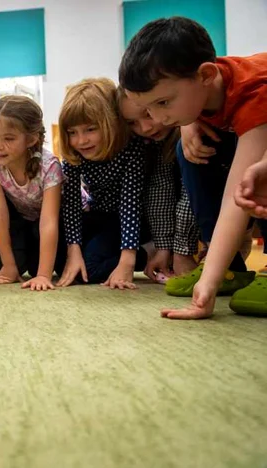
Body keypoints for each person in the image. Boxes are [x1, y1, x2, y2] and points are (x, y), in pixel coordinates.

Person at [119, 16, 267, 318]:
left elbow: (235, 196)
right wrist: (189, 122)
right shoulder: (201, 83)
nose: (157, 119)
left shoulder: (254, 92)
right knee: (188, 151)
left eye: (163, 103)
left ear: (206, 75)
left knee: (257, 180)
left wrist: (207, 285)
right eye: (148, 108)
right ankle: (230, 268)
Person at [57, 78, 150, 290]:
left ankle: (146, 253)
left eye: (90, 129)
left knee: (88, 271)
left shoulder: (131, 149)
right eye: (72, 132)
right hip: (99, 214)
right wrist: (73, 249)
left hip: (130, 221)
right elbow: (71, 205)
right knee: (62, 261)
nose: (81, 141)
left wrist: (128, 260)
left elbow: (130, 204)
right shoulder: (75, 155)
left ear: (110, 123)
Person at [0, 96, 66, 290]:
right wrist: (8, 267)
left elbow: (49, 221)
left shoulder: (49, 167)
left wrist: (43, 275)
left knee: (55, 266)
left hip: (63, 221)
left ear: (31, 139)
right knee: (23, 264)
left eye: (8, 138)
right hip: (27, 221)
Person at [118, 89, 200, 280]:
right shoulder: (151, 144)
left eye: (148, 115)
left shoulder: (191, 133)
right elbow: (160, 191)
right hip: (183, 229)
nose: (145, 128)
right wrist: (163, 247)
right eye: (132, 123)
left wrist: (182, 251)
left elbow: (192, 194)